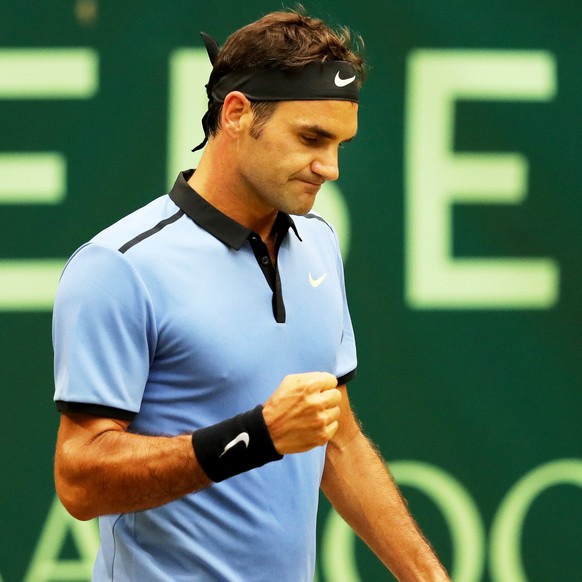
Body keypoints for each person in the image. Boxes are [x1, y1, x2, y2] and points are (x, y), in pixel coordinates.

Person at [53, 9, 450, 582]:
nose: (330, 168)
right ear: (237, 114)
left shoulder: (318, 243)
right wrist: (256, 436)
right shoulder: (118, 267)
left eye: (340, 143)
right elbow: (80, 479)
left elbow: (335, 436)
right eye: (312, 138)